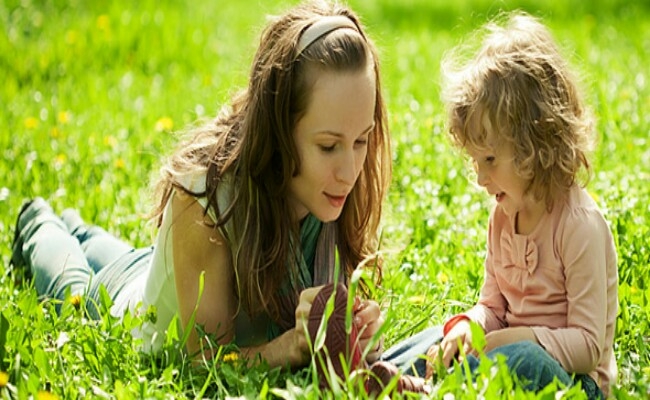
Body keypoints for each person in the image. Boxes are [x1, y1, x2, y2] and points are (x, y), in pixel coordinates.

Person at [11, 0, 390, 373]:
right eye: (328, 147)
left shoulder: (329, 191)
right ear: (278, 131)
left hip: (164, 270)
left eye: (361, 140)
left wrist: (357, 331)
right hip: (131, 311)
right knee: (74, 283)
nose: (350, 171)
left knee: (113, 253)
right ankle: (36, 218)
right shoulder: (206, 200)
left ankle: (76, 226)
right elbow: (201, 362)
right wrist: (289, 347)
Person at [425, 11, 618, 399]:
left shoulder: (578, 225)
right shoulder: (502, 217)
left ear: (536, 145)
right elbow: (492, 307)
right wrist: (471, 326)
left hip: (576, 384)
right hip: (509, 354)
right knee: (440, 338)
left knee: (525, 360)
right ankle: (406, 373)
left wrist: (519, 338)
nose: (480, 178)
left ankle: (438, 387)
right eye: (475, 161)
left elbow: (587, 347)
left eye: (490, 160)